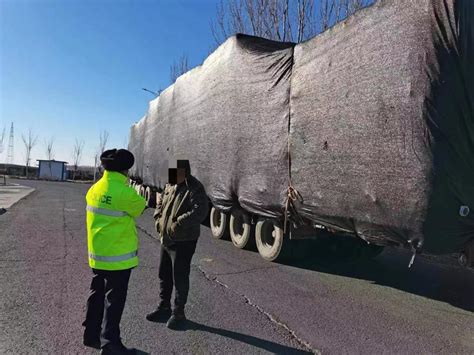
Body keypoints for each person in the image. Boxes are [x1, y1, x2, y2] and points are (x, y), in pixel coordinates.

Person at [83, 149, 146, 355]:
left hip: (98, 256)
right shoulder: (125, 193)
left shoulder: (94, 189)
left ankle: (91, 335)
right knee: (114, 302)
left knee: (97, 294)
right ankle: (110, 344)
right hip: (118, 260)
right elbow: (140, 206)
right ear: (125, 171)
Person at [146, 160, 209, 329]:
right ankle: (164, 307)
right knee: (164, 274)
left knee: (179, 277)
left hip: (184, 241)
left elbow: (200, 211)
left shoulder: (195, 187)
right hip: (166, 239)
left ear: (185, 172)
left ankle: (178, 313)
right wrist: (158, 219)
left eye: (176, 172)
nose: (172, 175)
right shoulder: (170, 185)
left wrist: (178, 224)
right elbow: (160, 203)